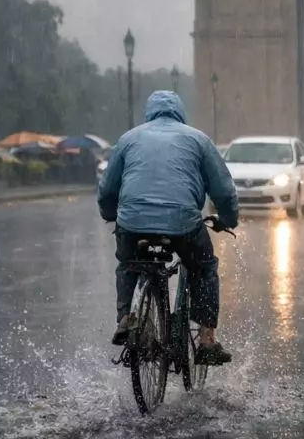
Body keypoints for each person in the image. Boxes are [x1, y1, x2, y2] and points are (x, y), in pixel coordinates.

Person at [97, 90, 239, 365]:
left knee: (128, 264)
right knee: (204, 267)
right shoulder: (198, 139)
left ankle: (126, 317)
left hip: (132, 222)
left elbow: (106, 191)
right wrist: (228, 220)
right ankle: (207, 340)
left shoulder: (128, 139)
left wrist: (112, 216)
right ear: (180, 114)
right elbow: (223, 190)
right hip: (182, 222)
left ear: (149, 113)